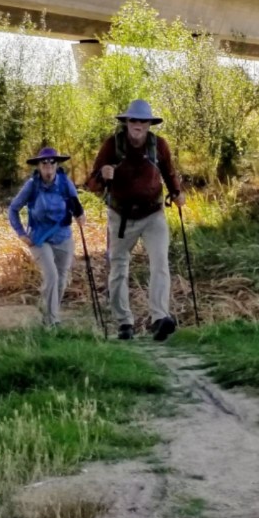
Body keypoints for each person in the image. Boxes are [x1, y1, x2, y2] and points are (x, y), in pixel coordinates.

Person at [84, 99, 182, 341]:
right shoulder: (111, 145)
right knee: (118, 268)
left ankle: (159, 318)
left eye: (143, 120)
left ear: (149, 124)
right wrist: (102, 175)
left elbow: (169, 172)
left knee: (160, 263)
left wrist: (177, 192)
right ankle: (124, 322)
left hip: (153, 213)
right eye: (133, 120)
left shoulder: (159, 145)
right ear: (127, 122)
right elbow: (91, 183)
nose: (138, 124)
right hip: (121, 216)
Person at [7, 145, 86, 326]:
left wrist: (80, 216)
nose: (48, 165)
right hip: (39, 238)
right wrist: (21, 233)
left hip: (64, 237)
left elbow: (75, 205)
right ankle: (51, 322)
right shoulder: (32, 186)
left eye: (52, 162)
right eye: (44, 162)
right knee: (51, 277)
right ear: (38, 166)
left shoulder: (65, 183)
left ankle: (47, 310)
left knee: (61, 281)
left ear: (57, 164)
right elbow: (13, 209)